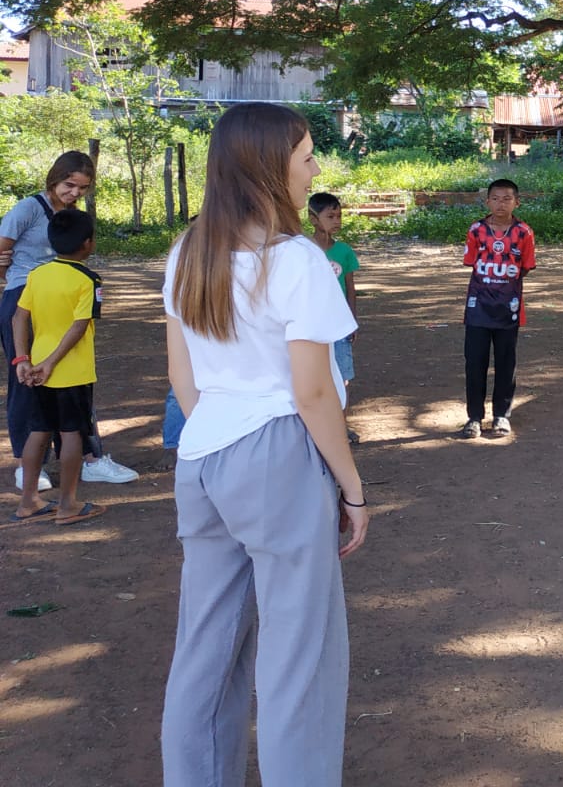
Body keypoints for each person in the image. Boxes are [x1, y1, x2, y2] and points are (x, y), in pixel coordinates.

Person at [160, 102, 367, 787]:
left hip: (205, 455)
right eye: (306, 156)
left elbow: (182, 377)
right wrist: (352, 487)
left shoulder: (188, 252)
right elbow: (312, 393)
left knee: (206, 649)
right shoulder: (298, 261)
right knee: (299, 655)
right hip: (278, 454)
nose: (314, 169)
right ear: (268, 168)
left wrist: (219, 436)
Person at [1, 150, 136, 489]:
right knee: (26, 376)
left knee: (73, 378)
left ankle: (89, 458)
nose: (74, 192)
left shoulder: (74, 215)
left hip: (63, 297)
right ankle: (28, 466)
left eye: (83, 188)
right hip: (26, 297)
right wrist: (12, 281)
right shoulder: (29, 209)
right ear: (54, 178)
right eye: (69, 184)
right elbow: (2, 248)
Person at [7, 208, 106, 525]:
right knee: (72, 433)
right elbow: (79, 326)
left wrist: (23, 359)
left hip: (36, 371)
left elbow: (18, 316)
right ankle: (67, 505)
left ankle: (28, 502)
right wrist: (52, 363)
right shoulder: (88, 280)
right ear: (87, 244)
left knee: (38, 431)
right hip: (71, 372)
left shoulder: (37, 275)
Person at [456, 178, 536, 439]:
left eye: (507, 198)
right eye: (496, 198)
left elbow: (524, 267)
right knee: (475, 362)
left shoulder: (524, 233)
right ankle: (474, 418)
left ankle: (501, 415)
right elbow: (472, 262)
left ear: (516, 202)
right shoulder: (476, 230)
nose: (501, 204)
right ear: (487, 201)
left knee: (506, 362)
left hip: (508, 308)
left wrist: (504, 286)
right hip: (478, 306)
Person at [309, 192, 362, 444]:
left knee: (341, 375)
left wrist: (352, 321)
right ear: (313, 219)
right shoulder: (304, 250)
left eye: (339, 215)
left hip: (339, 324)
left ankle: (341, 425)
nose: (336, 221)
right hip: (312, 325)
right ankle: (315, 426)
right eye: (330, 216)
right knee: (312, 374)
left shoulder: (344, 251)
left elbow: (350, 288)